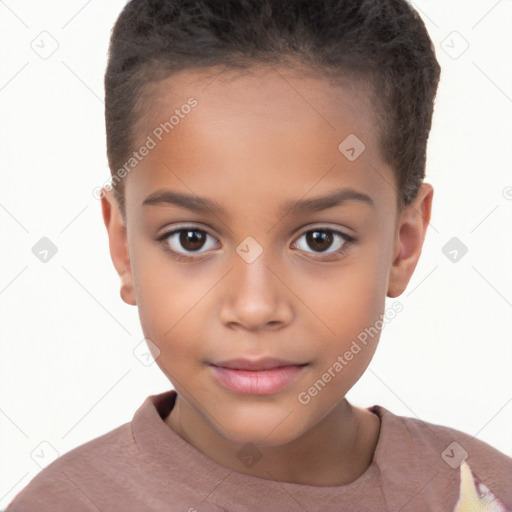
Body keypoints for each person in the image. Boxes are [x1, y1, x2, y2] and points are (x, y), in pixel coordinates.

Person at [6, 0, 512, 510]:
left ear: (404, 243)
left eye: (320, 240)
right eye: (191, 239)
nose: (254, 307)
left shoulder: (482, 488)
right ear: (123, 246)